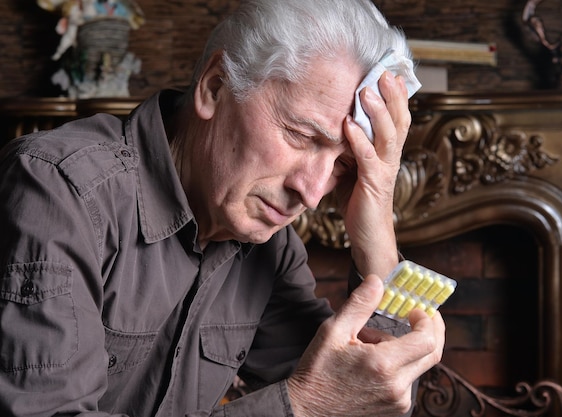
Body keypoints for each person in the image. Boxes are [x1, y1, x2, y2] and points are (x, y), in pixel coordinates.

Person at [0, 0, 446, 416]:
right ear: (215, 87)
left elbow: (371, 391)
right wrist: (307, 404)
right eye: (301, 136)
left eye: (343, 164)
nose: (311, 194)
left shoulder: (269, 247)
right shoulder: (58, 188)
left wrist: (377, 227)